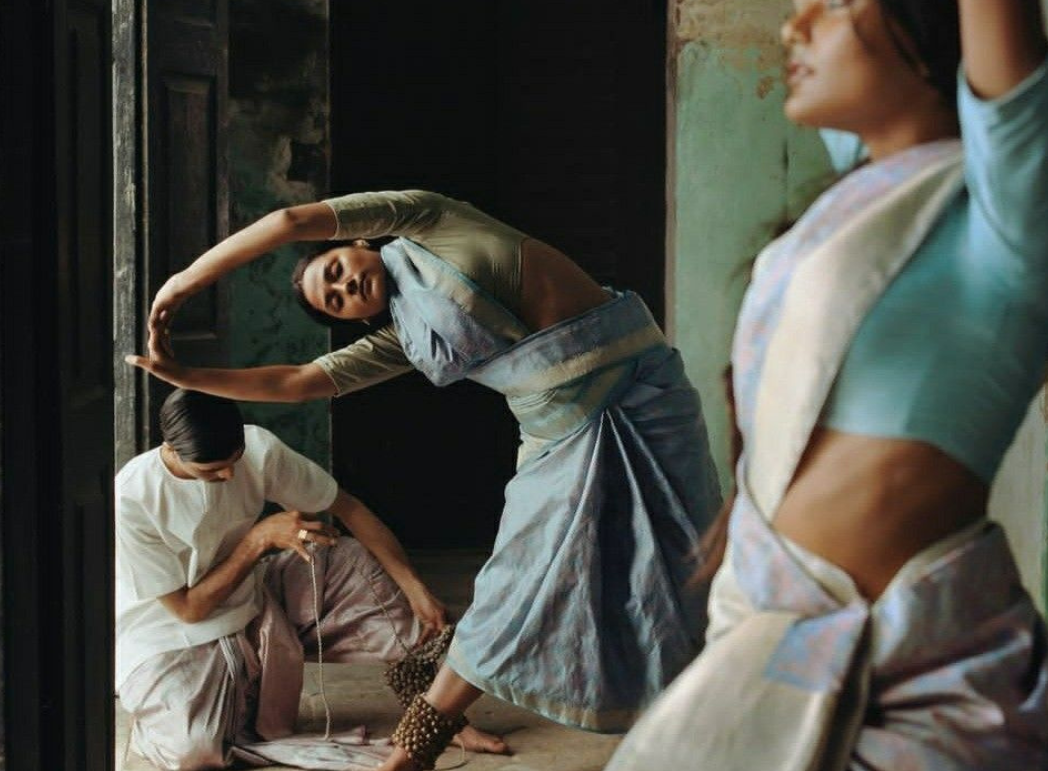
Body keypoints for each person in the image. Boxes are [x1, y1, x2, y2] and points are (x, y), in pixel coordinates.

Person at [605, 0, 1048, 769]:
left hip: (920, 688)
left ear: (929, 28)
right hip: (768, 648)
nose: (796, 24)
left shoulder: (1008, 210)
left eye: (838, 1)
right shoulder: (870, 190)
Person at [127, 189, 721, 769]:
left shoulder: (430, 219)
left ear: (357, 242)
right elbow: (297, 382)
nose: (342, 286)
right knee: (518, 581)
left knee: (686, 554)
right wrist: (183, 373)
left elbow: (289, 220)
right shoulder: (408, 340)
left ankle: (705, 704)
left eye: (334, 270)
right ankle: (417, 744)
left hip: (649, 391)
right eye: (333, 300)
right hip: (564, 435)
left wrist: (184, 283)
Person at [115, 387, 497, 770]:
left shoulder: (258, 450)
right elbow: (189, 609)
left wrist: (415, 589)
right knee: (194, 751)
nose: (229, 474)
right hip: (168, 633)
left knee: (347, 559)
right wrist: (259, 539)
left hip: (251, 598)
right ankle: (176, 715)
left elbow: (349, 508)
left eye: (234, 460)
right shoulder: (134, 497)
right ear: (170, 449)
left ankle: (438, 714)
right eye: (212, 471)